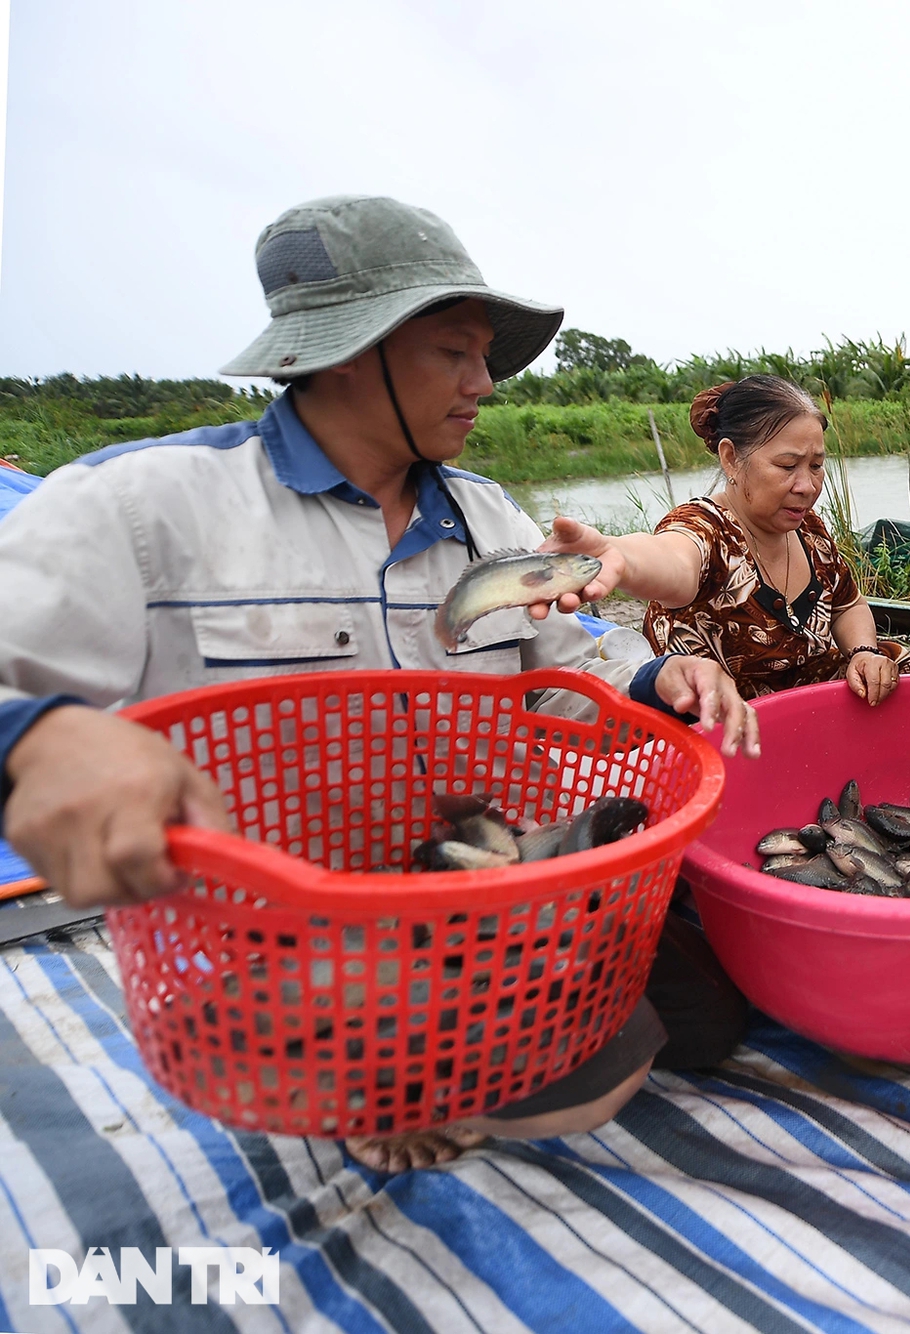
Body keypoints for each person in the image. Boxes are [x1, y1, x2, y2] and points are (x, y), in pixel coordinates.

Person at [0, 195, 756, 1173]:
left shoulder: (489, 521)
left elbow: (568, 676)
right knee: (493, 1077)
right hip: (278, 938)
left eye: (485, 354)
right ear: (346, 350)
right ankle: (366, 1077)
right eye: (454, 350)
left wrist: (664, 676)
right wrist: (40, 735)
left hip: (477, 890)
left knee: (671, 1042)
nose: (485, 381)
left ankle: (455, 1056)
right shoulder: (142, 508)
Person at [539, 375, 908, 702]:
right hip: (723, 737)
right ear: (731, 458)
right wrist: (617, 554)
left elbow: (849, 604)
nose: (807, 486)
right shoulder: (707, 529)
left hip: (812, 724)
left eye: (816, 465)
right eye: (786, 466)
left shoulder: (808, 530)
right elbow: (673, 560)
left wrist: (863, 651)